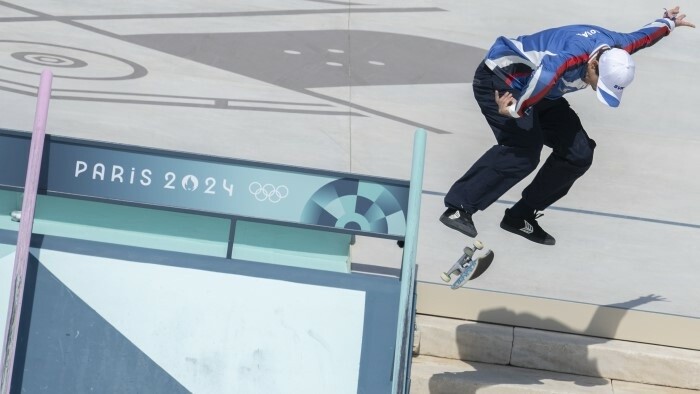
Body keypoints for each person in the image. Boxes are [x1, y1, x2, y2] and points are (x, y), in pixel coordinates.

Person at [440, 6, 695, 245]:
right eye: (598, 81)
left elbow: (642, 37)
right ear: (593, 64)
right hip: (503, 81)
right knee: (524, 150)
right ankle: (458, 208)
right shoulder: (572, 57)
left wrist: (668, 23)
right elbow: (544, 75)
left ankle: (521, 216)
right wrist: (516, 110)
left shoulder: (619, 47)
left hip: (543, 92)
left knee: (579, 153)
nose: (595, 87)